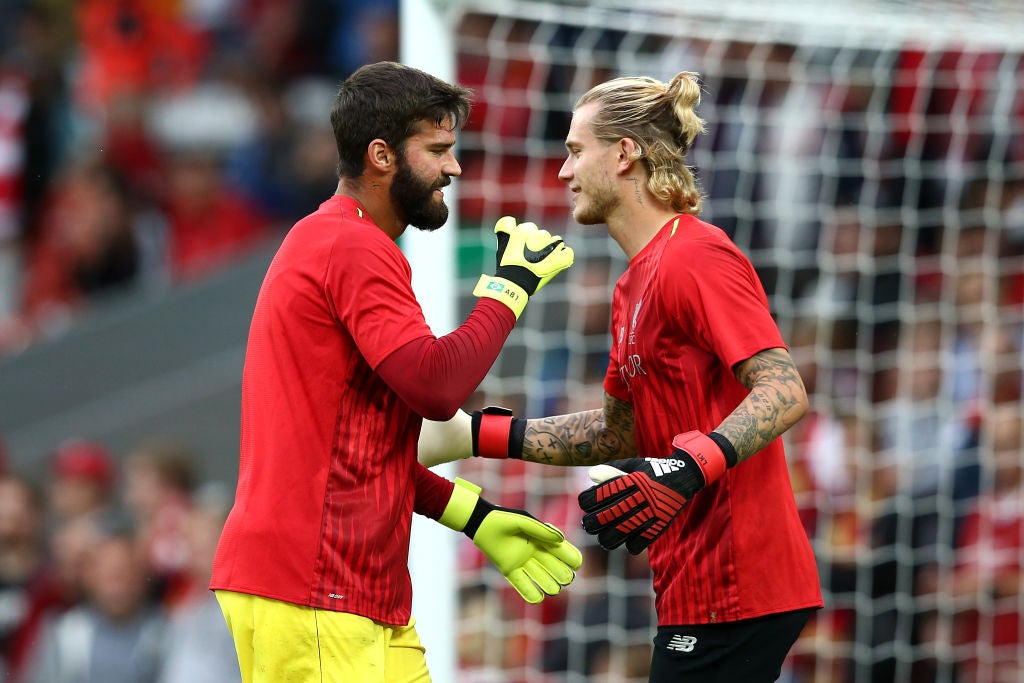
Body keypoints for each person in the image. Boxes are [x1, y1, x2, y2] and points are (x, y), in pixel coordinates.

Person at [420, 71, 823, 682]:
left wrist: (687, 468)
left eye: (576, 151)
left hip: (741, 580)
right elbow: (619, 433)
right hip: (693, 582)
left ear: (625, 153)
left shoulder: (697, 255)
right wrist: (479, 435)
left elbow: (784, 389)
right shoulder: (632, 284)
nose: (563, 172)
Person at [209, 60, 582, 683]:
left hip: (348, 596)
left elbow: (355, 454)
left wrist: (474, 515)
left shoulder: (341, 241)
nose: (454, 168)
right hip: (315, 592)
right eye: (437, 150)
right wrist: (508, 290)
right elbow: (435, 389)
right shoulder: (351, 246)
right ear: (381, 156)